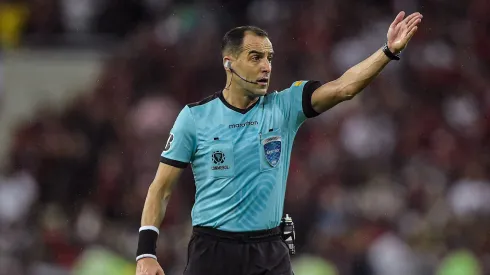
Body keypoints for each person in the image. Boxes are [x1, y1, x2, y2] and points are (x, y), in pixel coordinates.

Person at [135, 11, 423, 275]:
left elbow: (344, 88)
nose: (266, 67)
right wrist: (145, 253)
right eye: (255, 57)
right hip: (213, 250)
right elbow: (161, 188)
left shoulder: (285, 106)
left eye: (269, 58)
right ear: (229, 63)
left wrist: (388, 52)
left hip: (269, 250)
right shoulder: (195, 117)